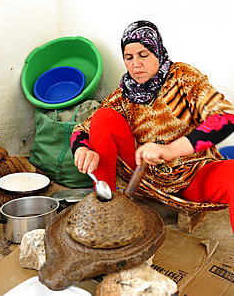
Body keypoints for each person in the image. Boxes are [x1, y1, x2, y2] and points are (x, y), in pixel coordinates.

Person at [71, 20, 234, 232]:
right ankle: (107, 210)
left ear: (157, 52)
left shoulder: (183, 78)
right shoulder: (124, 95)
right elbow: (82, 129)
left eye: (143, 55)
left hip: (193, 177)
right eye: (128, 58)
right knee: (103, 117)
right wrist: (83, 149)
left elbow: (226, 118)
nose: (135, 64)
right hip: (145, 176)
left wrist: (170, 149)